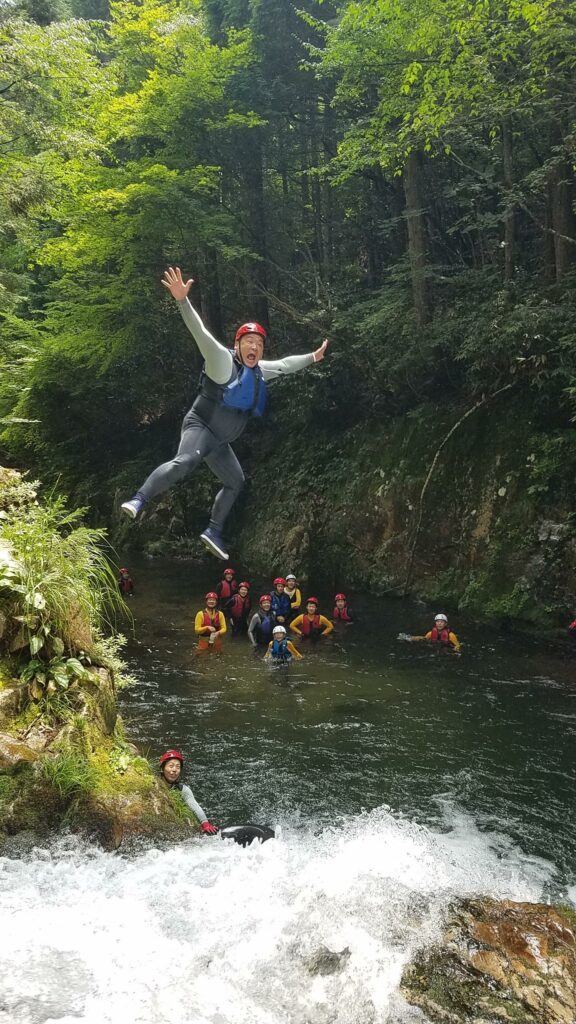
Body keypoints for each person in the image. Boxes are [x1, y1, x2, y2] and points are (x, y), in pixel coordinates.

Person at [120, 266, 329, 560]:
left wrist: (313, 357)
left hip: (219, 443)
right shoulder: (222, 361)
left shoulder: (259, 372)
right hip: (201, 427)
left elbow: (285, 364)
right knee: (186, 462)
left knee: (236, 482)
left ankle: (213, 531)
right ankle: (139, 499)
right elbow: (200, 332)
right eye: (249, 342)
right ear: (238, 345)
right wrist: (182, 300)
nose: (254, 347)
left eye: (258, 344)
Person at [159, 749, 218, 833]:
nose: (174, 770)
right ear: (162, 769)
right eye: (171, 766)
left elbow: (195, 806)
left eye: (178, 767)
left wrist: (205, 823)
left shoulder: (183, 789)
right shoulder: (153, 785)